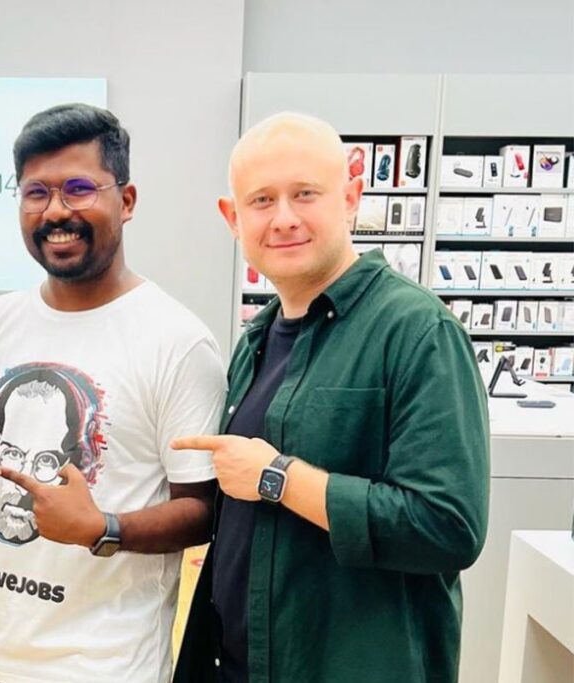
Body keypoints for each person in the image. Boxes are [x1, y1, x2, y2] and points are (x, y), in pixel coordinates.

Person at [172, 112, 490, 683]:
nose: (284, 218)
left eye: (305, 194)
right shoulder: (255, 341)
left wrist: (278, 478)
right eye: (262, 200)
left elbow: (447, 527)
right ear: (232, 218)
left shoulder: (418, 331)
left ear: (350, 197)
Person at [0, 102, 226, 683]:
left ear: (127, 200)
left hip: (108, 667)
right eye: (36, 193)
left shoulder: (177, 341)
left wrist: (103, 528)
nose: (55, 212)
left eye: (78, 189)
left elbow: (202, 510)